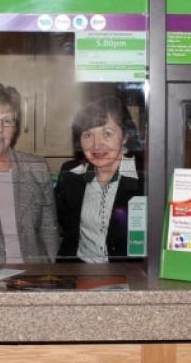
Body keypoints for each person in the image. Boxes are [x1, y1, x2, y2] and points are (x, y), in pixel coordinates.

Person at [0, 80, 59, 263]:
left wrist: (50, 274)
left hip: (33, 278)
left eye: (7, 121)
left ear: (15, 127)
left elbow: (49, 230)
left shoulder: (36, 168)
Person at [55, 96, 145, 262]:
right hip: (79, 275)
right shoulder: (70, 174)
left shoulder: (145, 179)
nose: (96, 145)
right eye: (88, 135)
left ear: (124, 136)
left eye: (107, 134)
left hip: (130, 277)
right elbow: (65, 232)